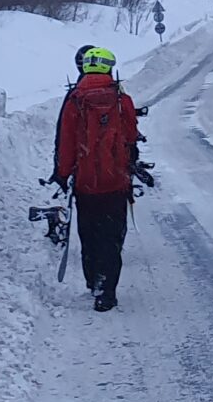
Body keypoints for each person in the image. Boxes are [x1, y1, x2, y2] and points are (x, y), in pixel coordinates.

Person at [52, 45, 144, 312]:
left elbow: (67, 143)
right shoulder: (120, 99)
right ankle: (107, 291)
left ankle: (93, 279)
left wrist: (62, 173)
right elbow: (130, 135)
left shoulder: (74, 100)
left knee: (89, 233)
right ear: (108, 67)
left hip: (85, 183)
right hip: (115, 182)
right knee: (112, 236)